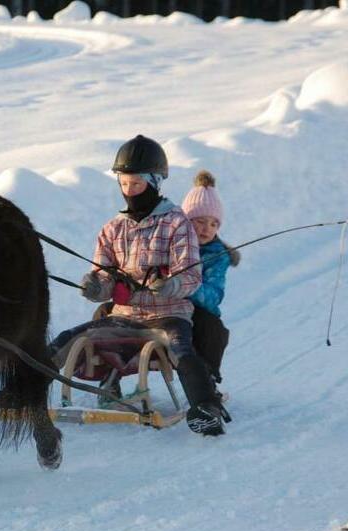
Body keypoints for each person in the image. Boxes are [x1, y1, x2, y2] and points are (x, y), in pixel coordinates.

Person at [50, 135, 229, 436]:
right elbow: (104, 275)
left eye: (136, 184)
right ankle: (18, 395)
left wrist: (170, 285)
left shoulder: (176, 222)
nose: (129, 191)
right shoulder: (112, 229)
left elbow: (191, 276)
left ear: (155, 182)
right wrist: (98, 288)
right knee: (66, 340)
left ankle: (205, 409)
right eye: (124, 183)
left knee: (181, 350)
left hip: (169, 313)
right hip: (125, 315)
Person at [180, 170, 240, 387]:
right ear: (186, 221)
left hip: (198, 312)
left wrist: (186, 286)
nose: (207, 229)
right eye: (200, 221)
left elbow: (213, 296)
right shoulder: (172, 246)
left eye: (214, 224)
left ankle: (207, 382)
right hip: (163, 307)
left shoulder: (217, 255)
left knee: (212, 328)